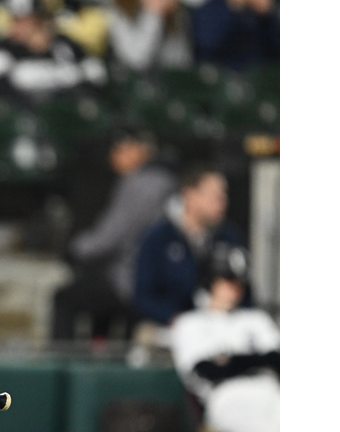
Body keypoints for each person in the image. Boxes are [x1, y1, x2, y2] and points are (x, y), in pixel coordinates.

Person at [52, 127, 177, 341]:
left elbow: (109, 239)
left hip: (134, 279)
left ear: (138, 149)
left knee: (64, 298)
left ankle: (61, 366)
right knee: (97, 297)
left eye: (120, 150)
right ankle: (99, 354)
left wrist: (74, 248)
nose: (115, 157)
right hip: (150, 276)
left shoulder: (142, 184)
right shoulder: (163, 180)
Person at [170, 243, 279, 432]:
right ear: (211, 280)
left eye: (240, 283)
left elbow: (278, 360)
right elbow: (205, 370)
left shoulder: (256, 319)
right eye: (228, 281)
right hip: (225, 396)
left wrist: (231, 360)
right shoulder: (189, 323)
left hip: (271, 390)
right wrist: (258, 359)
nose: (235, 289)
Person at [132, 163, 248, 329]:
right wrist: (176, 319)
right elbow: (143, 297)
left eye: (224, 195)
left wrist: (230, 302)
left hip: (222, 327)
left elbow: (246, 292)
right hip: (168, 330)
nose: (223, 202)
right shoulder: (158, 238)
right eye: (215, 196)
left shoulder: (229, 237)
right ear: (190, 196)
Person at [0, 0, 108, 102]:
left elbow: (97, 75)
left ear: (40, 20)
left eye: (23, 20)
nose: (15, 26)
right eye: (14, 20)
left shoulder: (66, 46)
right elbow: (2, 99)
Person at [106, 0, 194, 72]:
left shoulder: (175, 11)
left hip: (169, 87)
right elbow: (136, 62)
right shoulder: (116, 9)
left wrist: (167, 15)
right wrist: (154, 14)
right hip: (132, 87)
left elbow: (181, 62)